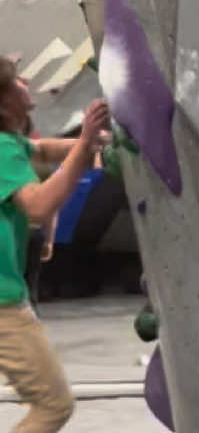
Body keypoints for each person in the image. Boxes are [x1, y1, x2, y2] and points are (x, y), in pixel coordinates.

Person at [0, 56, 110, 432]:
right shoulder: (1, 149)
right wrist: (83, 149)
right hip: (1, 303)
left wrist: (92, 142)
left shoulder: (9, 144)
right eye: (16, 80)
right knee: (53, 405)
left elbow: (43, 150)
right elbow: (38, 206)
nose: (26, 81)